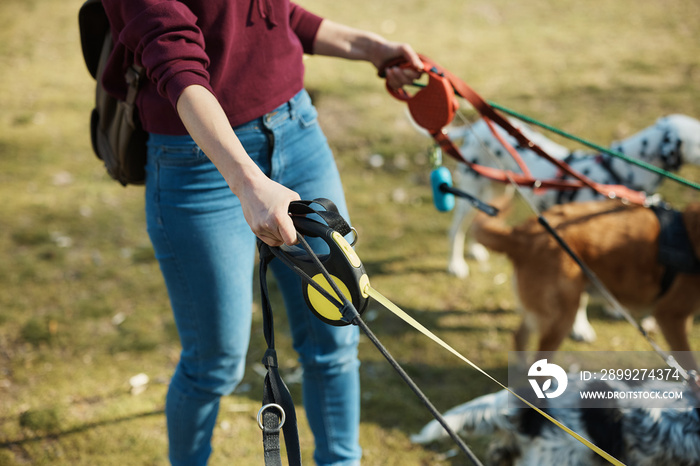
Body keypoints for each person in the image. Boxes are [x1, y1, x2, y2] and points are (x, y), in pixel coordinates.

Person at [100, 1, 422, 465]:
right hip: (197, 163)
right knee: (214, 365)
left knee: (336, 336)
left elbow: (267, 16)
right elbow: (174, 61)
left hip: (297, 130)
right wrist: (248, 183)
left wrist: (370, 48)